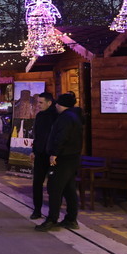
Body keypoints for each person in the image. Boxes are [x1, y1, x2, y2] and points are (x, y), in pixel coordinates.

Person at [36, 92, 84, 232]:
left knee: (54, 188)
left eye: (58, 103)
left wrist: (54, 153)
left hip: (63, 158)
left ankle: (52, 219)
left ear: (62, 105)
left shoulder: (65, 118)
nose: (56, 105)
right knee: (69, 189)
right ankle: (71, 219)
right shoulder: (75, 116)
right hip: (72, 157)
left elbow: (61, 136)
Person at [28, 92, 58, 221]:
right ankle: (37, 209)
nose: (38, 105)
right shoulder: (39, 116)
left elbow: (56, 137)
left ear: (49, 102)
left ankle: (53, 213)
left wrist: (54, 153)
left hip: (51, 155)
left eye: (41, 102)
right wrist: (34, 150)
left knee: (52, 185)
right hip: (40, 153)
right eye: (37, 102)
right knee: (37, 183)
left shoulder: (56, 116)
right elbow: (37, 135)